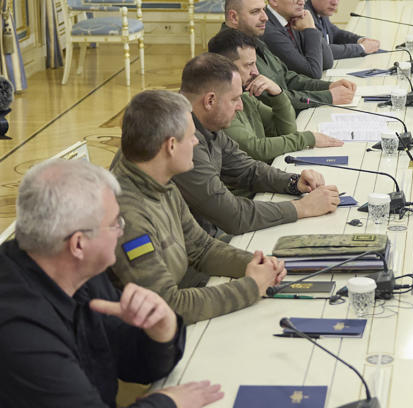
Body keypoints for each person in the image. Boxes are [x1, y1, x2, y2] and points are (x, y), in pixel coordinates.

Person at [0, 158, 223, 407]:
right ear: (78, 244)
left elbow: (131, 360)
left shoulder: (80, 272)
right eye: (115, 223)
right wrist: (168, 403)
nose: (121, 231)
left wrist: (162, 330)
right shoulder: (21, 331)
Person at [110, 90, 287, 325]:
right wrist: (251, 287)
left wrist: (259, 265)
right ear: (171, 146)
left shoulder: (160, 182)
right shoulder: (127, 216)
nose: (196, 142)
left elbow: (201, 248)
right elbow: (167, 305)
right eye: (191, 136)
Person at [171, 53, 341, 236]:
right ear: (210, 101)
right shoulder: (184, 141)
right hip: (196, 251)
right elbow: (233, 216)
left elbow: (247, 170)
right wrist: (301, 208)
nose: (240, 107)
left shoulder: (206, 124)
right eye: (235, 99)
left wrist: (293, 182)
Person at [208, 28, 343, 162]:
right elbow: (256, 149)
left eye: (255, 64)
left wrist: (278, 94)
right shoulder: (218, 105)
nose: (255, 72)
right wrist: (309, 138)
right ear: (226, 66)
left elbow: (287, 132)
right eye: (249, 65)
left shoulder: (246, 97)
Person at [223, 0, 356, 111]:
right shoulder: (229, 51)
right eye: (255, 12)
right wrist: (328, 97)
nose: (265, 17)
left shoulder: (251, 38)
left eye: (263, 10)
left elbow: (288, 77)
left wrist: (329, 86)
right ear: (234, 17)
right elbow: (270, 100)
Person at [261, 0, 333, 78]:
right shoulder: (268, 30)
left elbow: (327, 61)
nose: (302, 2)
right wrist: (310, 30)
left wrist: (311, 27)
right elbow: (313, 73)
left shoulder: (295, 19)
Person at [305, 0, 381, 59]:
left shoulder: (320, 11)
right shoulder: (303, 15)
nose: (335, 2)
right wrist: (362, 48)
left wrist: (360, 40)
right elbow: (321, 51)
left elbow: (336, 33)